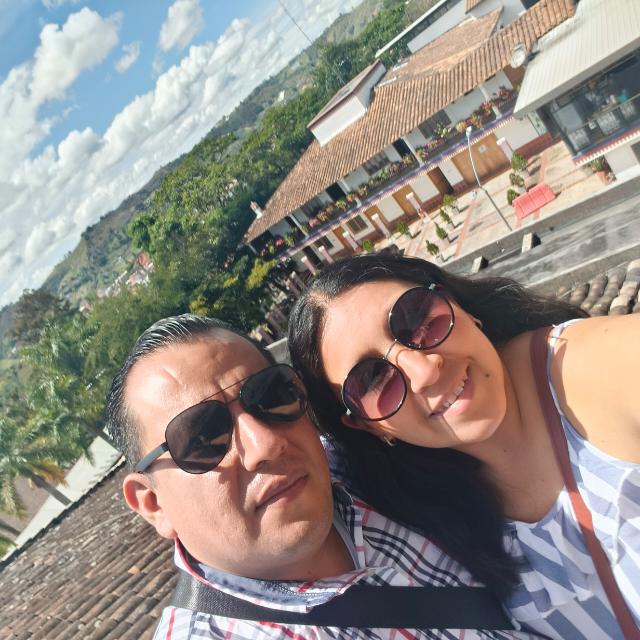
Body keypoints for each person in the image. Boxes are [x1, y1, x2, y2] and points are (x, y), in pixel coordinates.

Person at [106, 314, 542, 640]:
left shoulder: (362, 458)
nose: (265, 444)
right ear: (152, 504)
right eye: (202, 438)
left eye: (270, 395)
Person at [287, 252, 640, 640]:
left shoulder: (595, 366)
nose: (424, 372)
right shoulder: (429, 515)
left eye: (417, 318)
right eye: (372, 379)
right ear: (367, 427)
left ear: (458, 304)